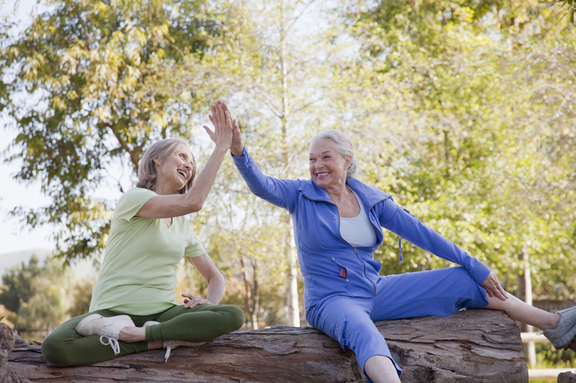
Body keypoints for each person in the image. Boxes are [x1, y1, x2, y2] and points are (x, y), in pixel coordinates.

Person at [227, 116, 576, 382]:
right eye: (312, 159)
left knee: (465, 282)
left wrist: (474, 264)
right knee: (366, 333)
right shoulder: (299, 195)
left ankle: (556, 324)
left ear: (347, 161)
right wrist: (239, 150)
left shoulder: (371, 200)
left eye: (326, 157)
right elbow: (261, 185)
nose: (317, 165)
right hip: (330, 301)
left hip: (374, 291)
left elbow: (423, 235)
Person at [41, 101, 244, 366]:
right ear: (157, 160)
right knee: (55, 347)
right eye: (182, 156)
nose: (189, 165)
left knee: (232, 315)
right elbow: (194, 202)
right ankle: (150, 340)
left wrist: (208, 301)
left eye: (192, 163)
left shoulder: (183, 225)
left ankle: (143, 336)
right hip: (110, 313)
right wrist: (220, 147)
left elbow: (215, 277)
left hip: (161, 314)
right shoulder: (134, 199)